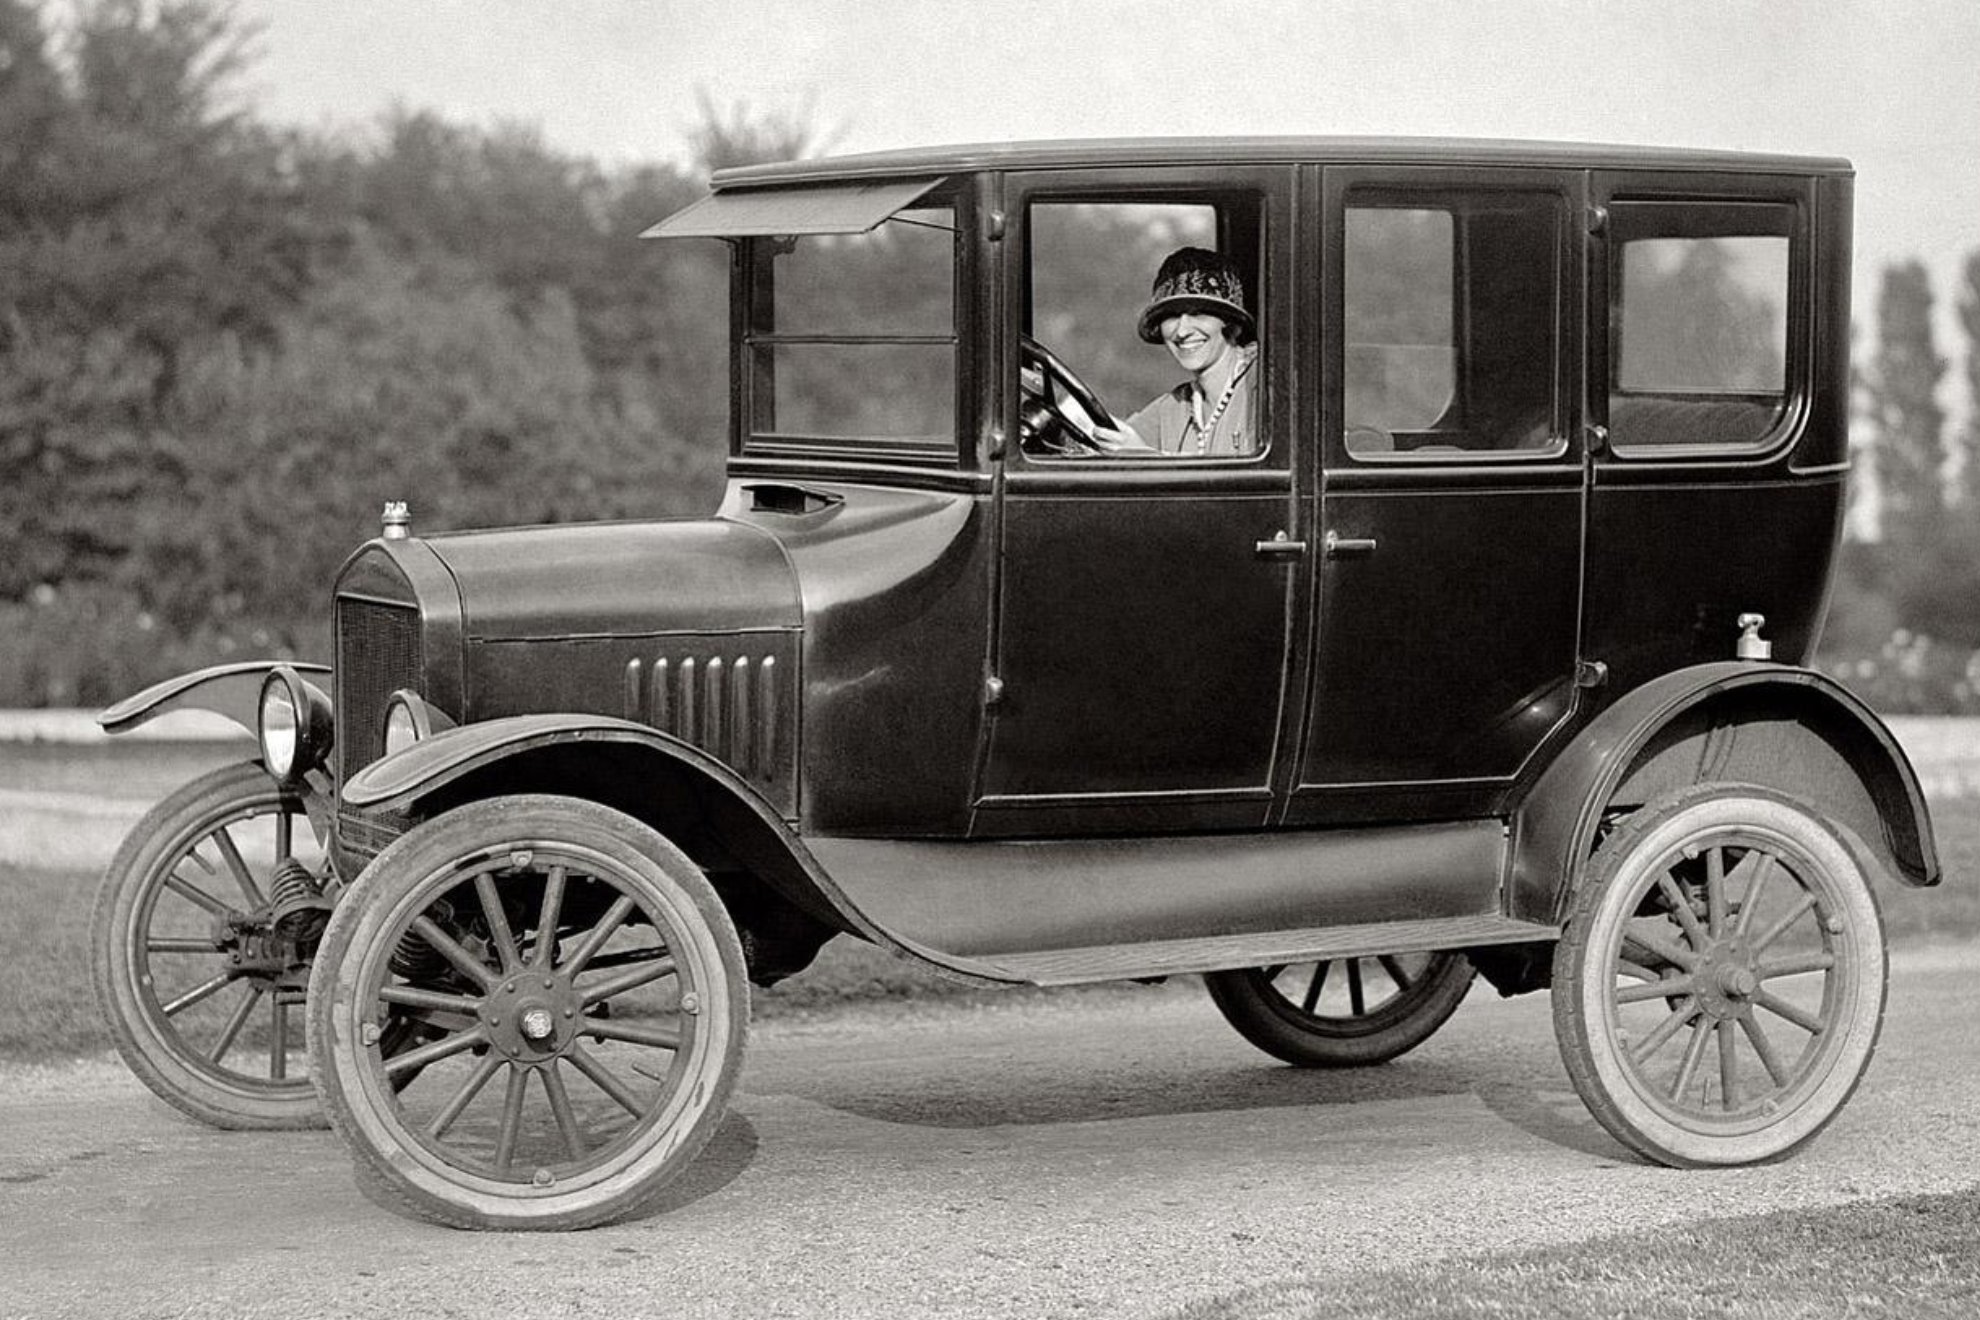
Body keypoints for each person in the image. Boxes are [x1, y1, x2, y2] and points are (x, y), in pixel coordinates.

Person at [1098, 246, 1260, 457]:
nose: (1182, 331)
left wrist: (1146, 458)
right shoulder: (1175, 406)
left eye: (1198, 313)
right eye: (1172, 316)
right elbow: (1115, 438)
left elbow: (1248, 485)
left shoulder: (1263, 387)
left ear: (1232, 324)